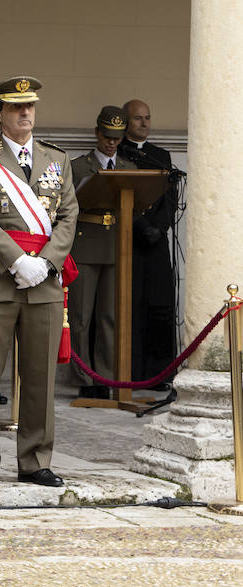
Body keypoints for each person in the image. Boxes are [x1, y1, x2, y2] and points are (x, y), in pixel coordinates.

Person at [0, 76, 77, 488]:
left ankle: (36, 459)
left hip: (44, 281)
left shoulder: (56, 159)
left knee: (41, 376)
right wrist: (15, 261)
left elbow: (68, 216)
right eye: (14, 107)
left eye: (29, 106)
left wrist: (45, 262)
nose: (24, 113)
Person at [68, 106, 136, 399]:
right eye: (107, 136)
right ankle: (84, 377)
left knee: (110, 316)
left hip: (115, 247)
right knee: (81, 316)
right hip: (85, 243)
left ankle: (106, 375)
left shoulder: (130, 168)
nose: (111, 143)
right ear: (97, 132)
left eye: (117, 138)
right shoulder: (78, 166)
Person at [121, 99, 178, 385]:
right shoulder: (118, 152)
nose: (144, 123)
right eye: (137, 119)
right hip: (128, 241)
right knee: (129, 306)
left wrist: (159, 227)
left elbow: (170, 196)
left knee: (160, 305)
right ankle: (129, 372)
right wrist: (141, 226)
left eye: (147, 118)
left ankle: (159, 374)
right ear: (125, 122)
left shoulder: (160, 155)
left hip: (156, 243)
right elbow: (118, 193)